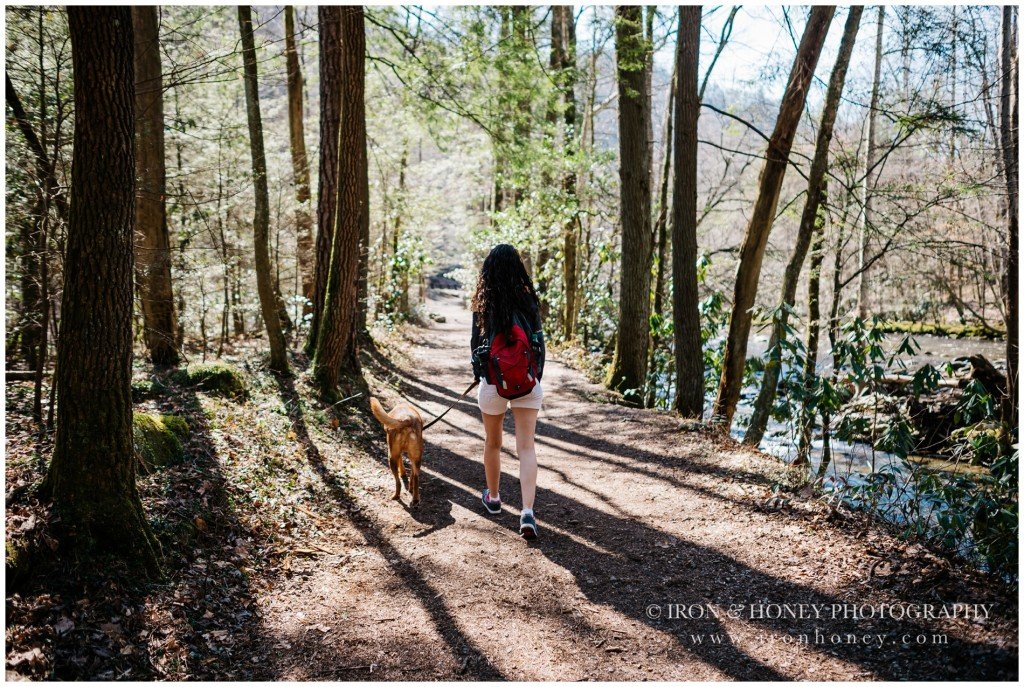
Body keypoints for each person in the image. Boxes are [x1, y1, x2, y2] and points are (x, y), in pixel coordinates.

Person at [470, 244, 545, 539]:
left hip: (493, 385)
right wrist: (532, 377)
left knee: (493, 443)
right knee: (526, 447)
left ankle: (495, 497)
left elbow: (476, 349)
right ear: (517, 267)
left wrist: (484, 377)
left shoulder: (483, 302)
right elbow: (539, 345)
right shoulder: (528, 300)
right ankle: (527, 512)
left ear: (489, 269)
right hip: (526, 382)